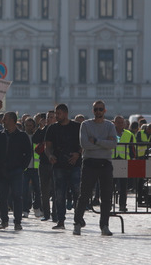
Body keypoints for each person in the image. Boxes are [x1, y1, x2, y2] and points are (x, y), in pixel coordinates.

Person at [74, 101, 117, 236]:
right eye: (96, 109)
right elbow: (85, 144)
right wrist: (105, 143)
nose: (98, 112)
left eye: (100, 109)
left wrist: (97, 141)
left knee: (106, 196)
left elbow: (114, 144)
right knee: (84, 195)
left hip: (105, 164)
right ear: (93, 111)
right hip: (90, 163)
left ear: (105, 111)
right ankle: (77, 222)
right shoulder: (85, 125)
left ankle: (104, 225)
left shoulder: (110, 125)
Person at [0, 111, 33, 231]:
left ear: (13, 121)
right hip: (1, 171)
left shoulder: (22, 136)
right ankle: (4, 220)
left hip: (16, 171)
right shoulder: (0, 135)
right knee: (2, 197)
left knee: (17, 196)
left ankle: (17, 221)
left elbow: (28, 154)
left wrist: (21, 167)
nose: (3, 121)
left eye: (6, 119)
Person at [45, 103, 82, 230]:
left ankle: (79, 218)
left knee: (77, 192)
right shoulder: (52, 128)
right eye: (56, 113)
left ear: (65, 113)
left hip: (74, 164)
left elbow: (83, 144)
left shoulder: (77, 127)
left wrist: (78, 154)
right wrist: (50, 155)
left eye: (59, 113)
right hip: (59, 165)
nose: (56, 116)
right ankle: (61, 220)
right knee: (59, 194)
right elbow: (48, 146)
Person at [113, 115, 135, 212]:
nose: (120, 124)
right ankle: (108, 204)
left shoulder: (129, 134)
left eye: (122, 122)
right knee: (110, 185)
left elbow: (133, 149)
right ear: (114, 123)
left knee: (123, 185)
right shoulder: (109, 132)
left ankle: (122, 205)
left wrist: (132, 160)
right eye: (118, 122)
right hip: (112, 160)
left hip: (123, 161)